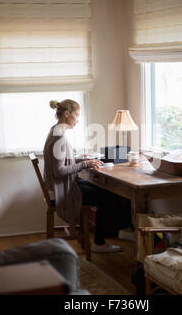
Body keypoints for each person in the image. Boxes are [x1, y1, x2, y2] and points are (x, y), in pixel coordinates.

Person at [43, 99, 129, 253]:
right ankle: (100, 243)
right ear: (66, 114)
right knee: (108, 196)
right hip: (61, 190)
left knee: (102, 190)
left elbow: (62, 162)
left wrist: (85, 160)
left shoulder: (54, 131)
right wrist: (85, 165)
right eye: (76, 115)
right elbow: (59, 171)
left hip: (62, 185)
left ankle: (111, 235)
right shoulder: (59, 137)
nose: (77, 119)